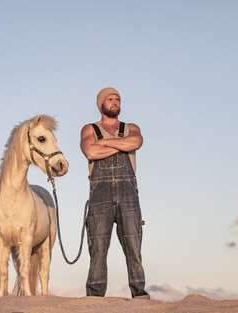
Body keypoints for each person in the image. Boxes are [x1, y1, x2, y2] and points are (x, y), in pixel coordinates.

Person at [80, 87, 150, 299]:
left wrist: (105, 143)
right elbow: (91, 151)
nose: (115, 102)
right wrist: (121, 146)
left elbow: (136, 142)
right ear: (101, 104)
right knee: (98, 246)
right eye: (110, 99)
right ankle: (94, 297)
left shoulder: (131, 127)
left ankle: (139, 294)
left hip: (128, 193)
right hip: (99, 195)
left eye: (117, 99)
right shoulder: (89, 129)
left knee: (133, 244)